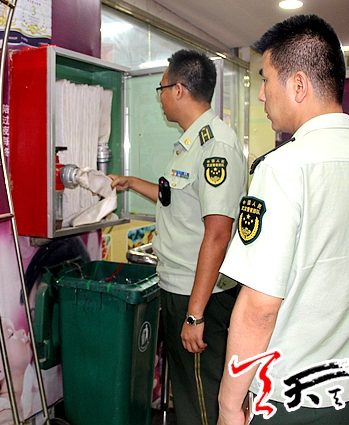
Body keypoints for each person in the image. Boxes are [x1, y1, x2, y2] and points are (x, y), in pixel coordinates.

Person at [216, 14, 349, 425]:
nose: (262, 94)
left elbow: (259, 309)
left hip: (292, 403)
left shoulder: (282, 169)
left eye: (265, 80)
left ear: (298, 85)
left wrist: (228, 406)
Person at [109, 49, 247, 425]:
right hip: (181, 288)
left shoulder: (215, 147)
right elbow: (175, 197)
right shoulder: (192, 143)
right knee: (187, 392)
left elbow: (218, 234)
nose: (160, 97)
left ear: (180, 90)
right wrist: (130, 182)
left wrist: (195, 314)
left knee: (201, 398)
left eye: (162, 88)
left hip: (199, 294)